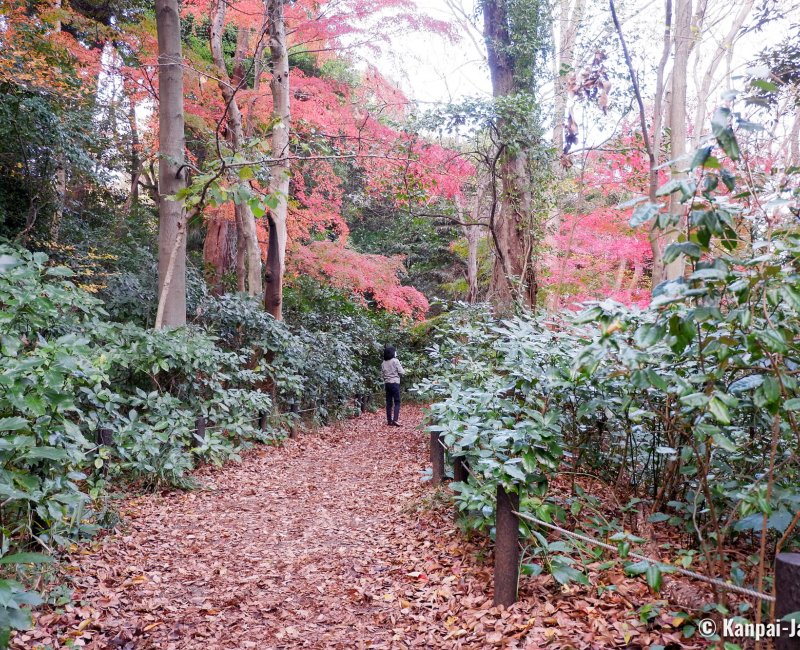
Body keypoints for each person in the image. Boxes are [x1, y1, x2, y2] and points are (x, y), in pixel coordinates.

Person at [381, 345, 405, 426]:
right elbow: (402, 372)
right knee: (397, 402)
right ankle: (395, 420)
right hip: (395, 383)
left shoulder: (383, 362)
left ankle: (389, 421)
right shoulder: (395, 361)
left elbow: (382, 374)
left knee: (388, 402)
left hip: (387, 384)